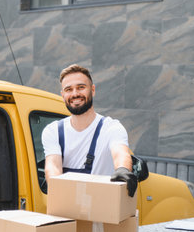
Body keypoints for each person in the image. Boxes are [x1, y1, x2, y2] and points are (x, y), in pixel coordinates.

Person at [42, 64, 137, 197]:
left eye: (81, 87)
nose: (75, 94)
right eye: (69, 89)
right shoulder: (53, 131)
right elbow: (53, 167)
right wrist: (56, 189)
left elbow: (121, 154)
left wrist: (123, 169)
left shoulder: (111, 127)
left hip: (102, 210)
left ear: (92, 90)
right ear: (63, 95)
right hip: (67, 208)